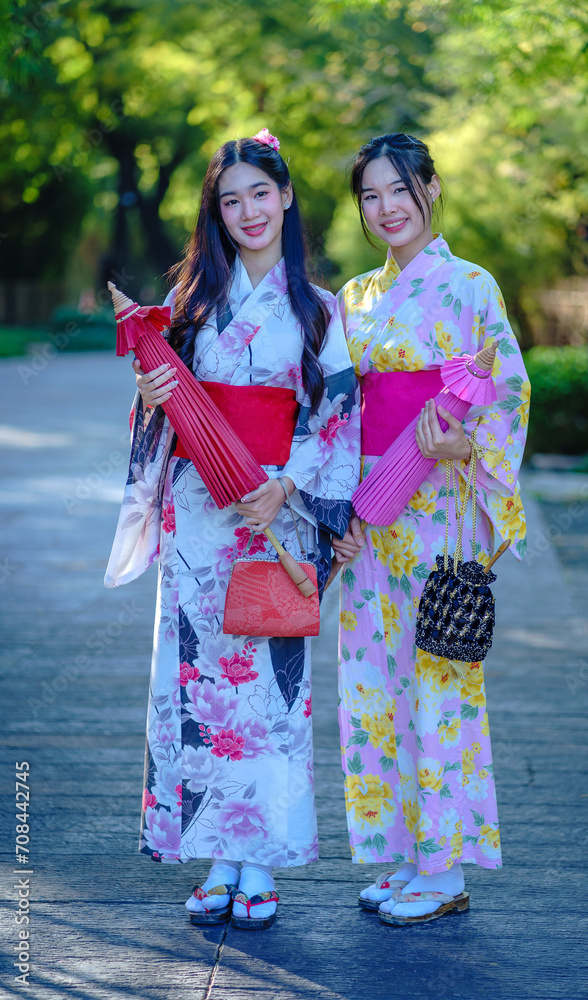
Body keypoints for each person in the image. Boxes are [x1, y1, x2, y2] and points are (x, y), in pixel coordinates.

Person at [105, 130, 360, 929]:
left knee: (272, 696)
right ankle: (219, 856)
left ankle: (264, 862)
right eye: (230, 199)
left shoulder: (321, 310)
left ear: (286, 198)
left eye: (261, 193)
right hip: (199, 517)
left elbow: (337, 413)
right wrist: (152, 394)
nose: (248, 210)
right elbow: (164, 407)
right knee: (199, 687)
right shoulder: (191, 306)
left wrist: (287, 483)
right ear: (216, 213)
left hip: (275, 513)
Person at [331, 133, 529, 925]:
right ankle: (409, 855)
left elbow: (506, 394)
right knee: (375, 686)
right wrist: (334, 512)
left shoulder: (471, 286)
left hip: (439, 511)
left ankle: (445, 869)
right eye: (370, 195)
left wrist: (466, 446)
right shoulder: (353, 297)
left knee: (439, 680)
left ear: (431, 190)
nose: (386, 208)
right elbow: (340, 413)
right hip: (370, 512)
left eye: (399, 190)